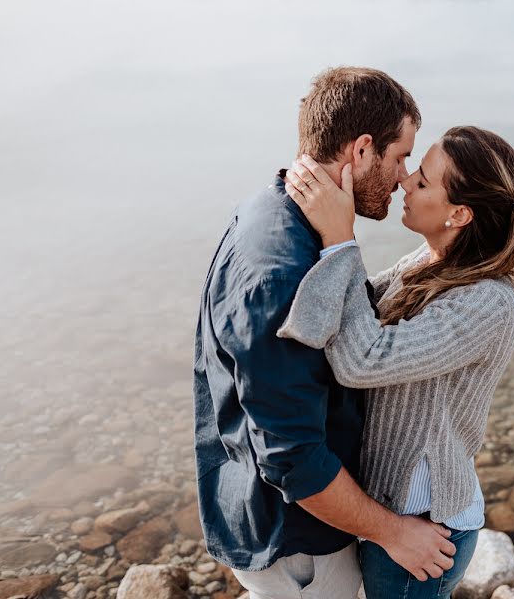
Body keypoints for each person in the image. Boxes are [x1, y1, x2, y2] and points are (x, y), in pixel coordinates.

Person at [193, 66, 456, 599]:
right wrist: (396, 532)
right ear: (361, 151)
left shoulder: (273, 208)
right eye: (400, 156)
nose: (405, 176)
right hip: (298, 544)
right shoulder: (283, 274)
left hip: (279, 515)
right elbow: (293, 459)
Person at [278, 124, 514, 599]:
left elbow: (361, 359)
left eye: (422, 181)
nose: (405, 183)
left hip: (423, 526)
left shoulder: (487, 301)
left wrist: (340, 238)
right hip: (391, 512)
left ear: (459, 213)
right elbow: (355, 304)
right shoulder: (431, 259)